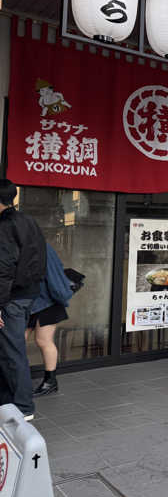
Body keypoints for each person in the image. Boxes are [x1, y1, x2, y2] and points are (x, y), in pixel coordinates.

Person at [0, 179, 46, 419]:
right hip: (27, 295)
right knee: (9, 349)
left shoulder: (5, 226)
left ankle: (23, 408)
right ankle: (8, 402)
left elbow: (3, 268)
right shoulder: (28, 221)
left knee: (12, 351)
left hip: (11, 299)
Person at [26, 244, 73, 397]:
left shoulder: (42, 248)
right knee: (17, 340)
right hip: (31, 301)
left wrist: (61, 297)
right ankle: (17, 379)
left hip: (48, 301)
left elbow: (54, 276)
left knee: (43, 341)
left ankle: (50, 381)